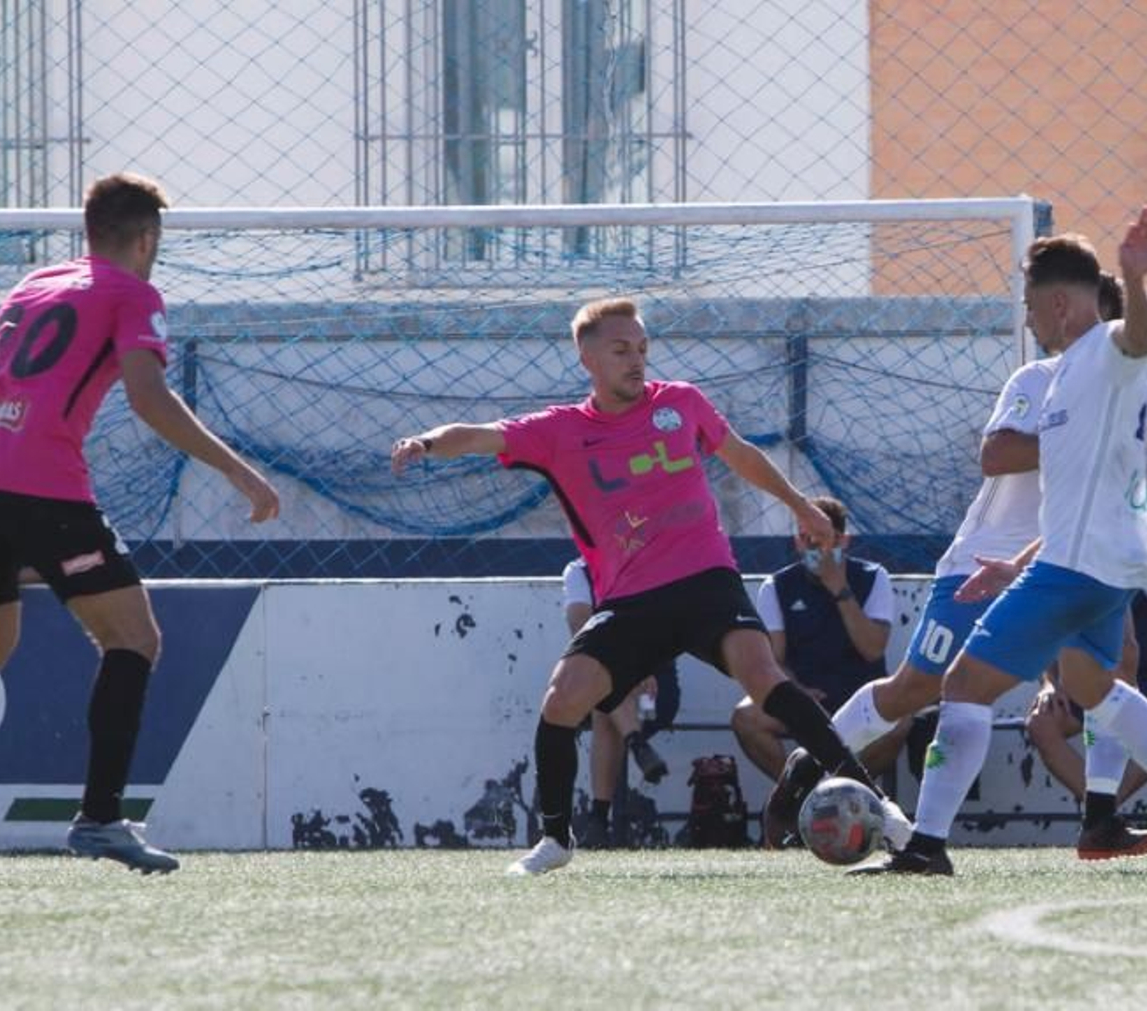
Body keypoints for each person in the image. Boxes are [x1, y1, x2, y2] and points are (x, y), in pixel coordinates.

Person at [389, 296, 910, 875]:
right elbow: (480, 434)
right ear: (587, 357)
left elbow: (739, 454)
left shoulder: (681, 403)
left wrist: (797, 505)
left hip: (706, 577)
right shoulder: (559, 431)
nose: (636, 361)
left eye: (641, 349)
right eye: (620, 350)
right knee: (563, 702)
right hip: (631, 598)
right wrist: (426, 443)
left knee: (764, 679)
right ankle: (556, 840)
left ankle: (880, 807)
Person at [0, 173, 281, 874]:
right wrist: (238, 470)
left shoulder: (31, 284)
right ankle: (99, 817)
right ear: (147, 238)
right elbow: (148, 397)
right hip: (42, 485)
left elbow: (4, 385)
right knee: (133, 636)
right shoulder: (134, 293)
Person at [853, 206, 1147, 876]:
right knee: (1102, 688)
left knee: (964, 684)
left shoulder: (1106, 355)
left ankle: (926, 845)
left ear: (1059, 304)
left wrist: (1137, 279)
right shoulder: (1062, 380)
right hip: (1096, 571)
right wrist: (1016, 564)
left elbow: (1137, 338)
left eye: (1031, 305)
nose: (1028, 319)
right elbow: (1084, 495)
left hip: (1072, 574)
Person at [733, 495, 905, 795]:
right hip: (805, 698)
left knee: (901, 722)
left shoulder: (873, 577)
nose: (814, 546)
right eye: (805, 537)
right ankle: (804, 794)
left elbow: (873, 649)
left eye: (823, 538)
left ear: (843, 540)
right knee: (746, 718)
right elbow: (774, 659)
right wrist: (795, 689)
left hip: (859, 694)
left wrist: (839, 588)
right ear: (796, 542)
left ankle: (848, 794)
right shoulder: (777, 586)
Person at [1025, 584, 1147, 807]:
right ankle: (1101, 813)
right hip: (1082, 685)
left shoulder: (1143, 570)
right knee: (1040, 724)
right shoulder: (1072, 577)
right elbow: (1049, 637)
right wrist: (1049, 683)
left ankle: (1104, 809)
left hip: (1142, 688)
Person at [561, 556, 679, 848]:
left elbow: (666, 630)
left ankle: (598, 819)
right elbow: (580, 628)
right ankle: (637, 744)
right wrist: (629, 669)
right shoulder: (579, 572)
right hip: (605, 673)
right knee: (608, 690)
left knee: (606, 701)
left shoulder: (652, 565)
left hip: (654, 684)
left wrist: (642, 667)